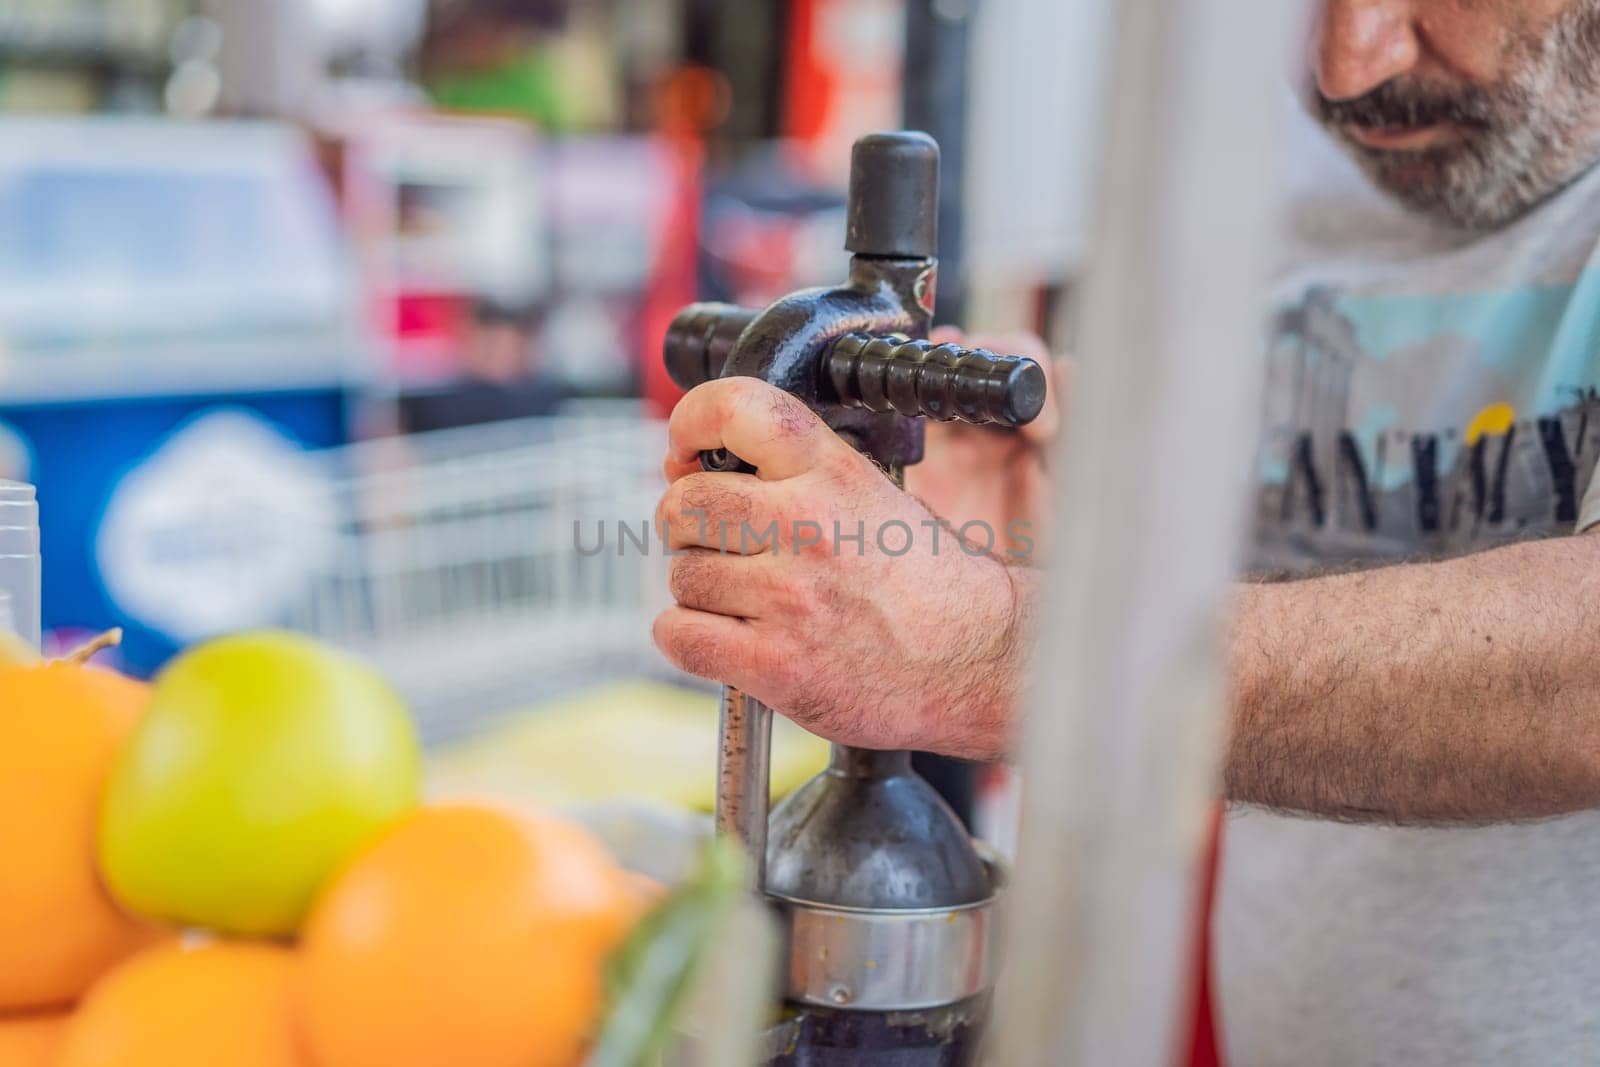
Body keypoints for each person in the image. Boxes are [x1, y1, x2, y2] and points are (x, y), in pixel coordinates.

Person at [653, 0, 1600, 1062]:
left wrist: (1014, 649)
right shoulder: (1263, 152)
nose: (1345, 65)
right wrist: (1074, 530)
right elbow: (1310, 572)